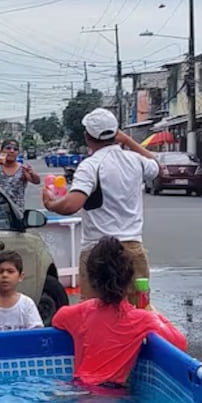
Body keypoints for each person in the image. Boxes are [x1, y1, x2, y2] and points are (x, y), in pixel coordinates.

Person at [42, 108, 158, 300]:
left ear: (87, 137)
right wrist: (127, 140)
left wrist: (51, 204)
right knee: (138, 309)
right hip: (132, 248)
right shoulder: (135, 160)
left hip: (97, 250)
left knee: (95, 313)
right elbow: (154, 165)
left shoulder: (91, 165)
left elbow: (72, 205)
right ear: (116, 133)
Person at [52, 236, 187, 388]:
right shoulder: (141, 319)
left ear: (91, 279)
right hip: (110, 394)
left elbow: (57, 319)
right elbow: (179, 343)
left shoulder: (80, 312)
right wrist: (151, 310)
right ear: (130, 280)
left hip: (78, 386)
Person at [0, 251, 44, 332]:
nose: (5, 275)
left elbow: (36, 332)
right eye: (0, 272)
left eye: (10, 271)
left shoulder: (27, 304)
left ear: (20, 276)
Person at [0, 138, 40, 209]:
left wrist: (31, 173)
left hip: (16, 212)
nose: (12, 151)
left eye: (15, 149)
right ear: (1, 151)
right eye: (8, 148)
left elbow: (36, 181)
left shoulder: (22, 169)